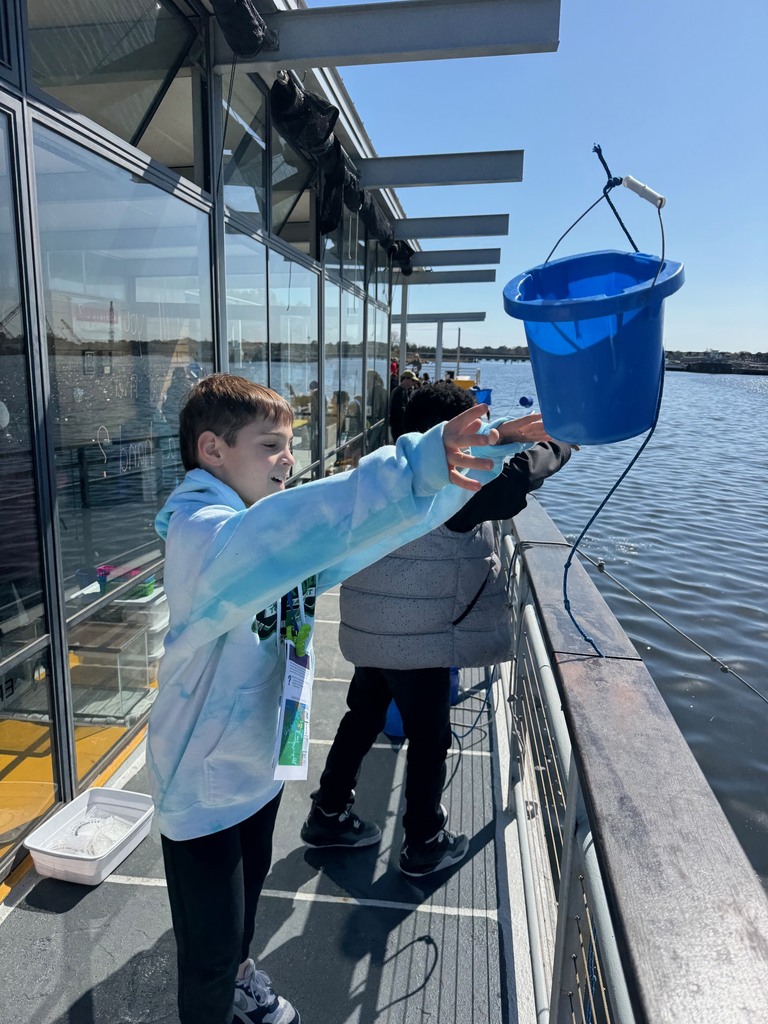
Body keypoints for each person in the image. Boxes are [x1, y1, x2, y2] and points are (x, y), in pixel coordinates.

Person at [148, 373, 550, 1024]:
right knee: (207, 955)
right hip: (201, 786)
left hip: (250, 768)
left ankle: (244, 976)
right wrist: (416, 461)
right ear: (212, 451)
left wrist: (472, 464)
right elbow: (303, 521)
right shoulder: (204, 534)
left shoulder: (252, 524)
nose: (288, 460)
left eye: (289, 445)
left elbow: (361, 533)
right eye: (270, 445)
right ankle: (221, 993)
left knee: (242, 917)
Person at [300, 381, 574, 878]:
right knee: (430, 738)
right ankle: (423, 841)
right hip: (420, 640)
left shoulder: (376, 472)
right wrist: (563, 440)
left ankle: (327, 814)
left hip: (370, 631)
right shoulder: (454, 488)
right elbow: (520, 477)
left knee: (361, 718)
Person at [388, 369, 420, 441]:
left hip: (398, 425)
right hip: (398, 426)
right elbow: (398, 410)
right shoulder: (400, 392)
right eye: (412, 380)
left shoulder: (402, 391)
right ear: (406, 379)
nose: (414, 383)